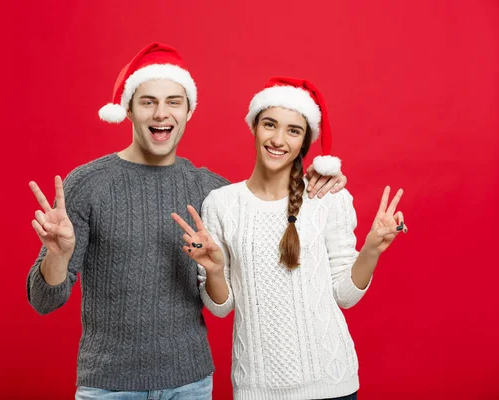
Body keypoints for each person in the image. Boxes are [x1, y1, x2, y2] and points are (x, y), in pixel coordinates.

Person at [26, 44, 348, 399]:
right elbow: (43, 301)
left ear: (189, 110)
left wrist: (324, 182)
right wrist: (58, 255)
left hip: (190, 384)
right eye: (148, 101)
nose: (161, 113)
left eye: (173, 102)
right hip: (107, 386)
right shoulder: (88, 184)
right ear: (129, 109)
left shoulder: (212, 192)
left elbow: (272, 216)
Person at [172, 77, 408, 400]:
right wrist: (213, 270)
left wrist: (372, 248)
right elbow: (221, 307)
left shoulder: (327, 197)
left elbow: (345, 295)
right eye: (270, 125)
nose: (278, 139)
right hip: (257, 388)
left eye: (293, 131)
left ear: (304, 142)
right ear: (254, 126)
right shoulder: (221, 204)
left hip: (332, 383)